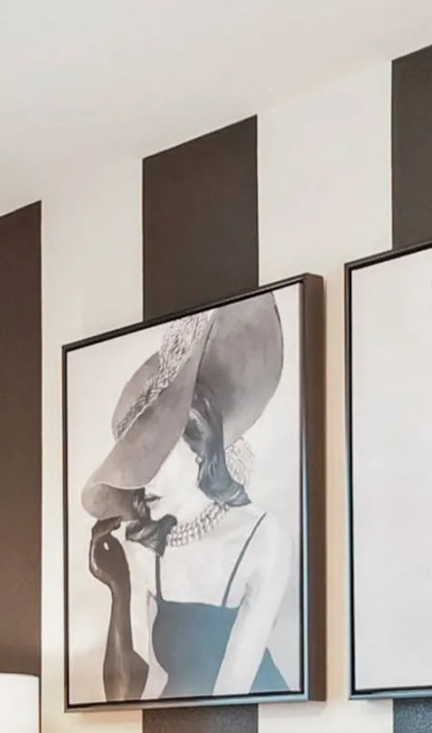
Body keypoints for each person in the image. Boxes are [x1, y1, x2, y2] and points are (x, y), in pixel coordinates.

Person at [81, 296, 296, 701]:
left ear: (199, 443)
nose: (143, 478)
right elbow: (122, 696)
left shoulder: (265, 539)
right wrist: (119, 590)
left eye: (155, 455)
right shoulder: (147, 545)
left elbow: (231, 696)